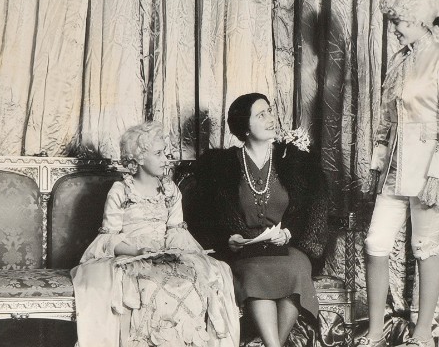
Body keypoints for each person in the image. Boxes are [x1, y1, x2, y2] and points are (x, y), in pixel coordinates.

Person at [358, 0, 439, 347]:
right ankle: (376, 333)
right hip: (396, 168)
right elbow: (387, 118)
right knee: (375, 242)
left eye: (399, 21)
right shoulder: (400, 60)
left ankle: (422, 333)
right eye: (391, 20)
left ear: (419, 19)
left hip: (429, 172)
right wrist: (379, 162)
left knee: (425, 248)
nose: (393, 28)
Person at [71, 122, 240, 347]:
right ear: (139, 158)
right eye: (159, 154)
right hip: (131, 256)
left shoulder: (171, 192)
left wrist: (176, 251)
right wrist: (137, 251)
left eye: (166, 153)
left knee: (194, 279)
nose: (165, 159)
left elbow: (176, 230)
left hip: (165, 255)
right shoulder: (121, 191)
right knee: (149, 287)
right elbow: (109, 238)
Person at [190, 93, 329, 347]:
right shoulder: (223, 166)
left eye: (270, 112)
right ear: (244, 126)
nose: (270, 119)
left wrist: (289, 233)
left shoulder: (292, 161)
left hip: (286, 246)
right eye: (260, 115)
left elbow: (309, 210)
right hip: (247, 252)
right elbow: (206, 216)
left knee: (298, 269)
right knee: (254, 273)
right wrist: (227, 240)